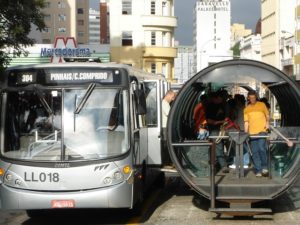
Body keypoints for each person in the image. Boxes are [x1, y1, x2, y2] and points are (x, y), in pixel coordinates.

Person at [244, 90, 270, 177]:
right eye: (251, 98)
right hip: (252, 133)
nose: (252, 99)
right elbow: (246, 122)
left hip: (262, 131)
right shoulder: (247, 109)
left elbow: (267, 115)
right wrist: (245, 133)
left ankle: (264, 167)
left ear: (256, 97)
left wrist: (267, 123)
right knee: (254, 152)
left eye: (254, 98)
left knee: (261, 148)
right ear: (248, 98)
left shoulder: (262, 105)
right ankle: (258, 170)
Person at [206, 91, 229, 173]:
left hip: (221, 129)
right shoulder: (210, 107)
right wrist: (221, 122)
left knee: (217, 147)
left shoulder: (223, 105)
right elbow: (209, 120)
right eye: (219, 98)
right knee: (218, 147)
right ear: (214, 98)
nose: (221, 100)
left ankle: (214, 165)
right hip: (214, 130)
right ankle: (222, 165)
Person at [162, 90, 176, 168]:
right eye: (173, 97)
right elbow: (169, 114)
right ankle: (166, 162)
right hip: (165, 127)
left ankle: (168, 162)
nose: (173, 99)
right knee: (166, 145)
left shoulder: (166, 103)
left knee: (167, 145)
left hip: (166, 127)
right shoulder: (164, 103)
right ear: (169, 95)